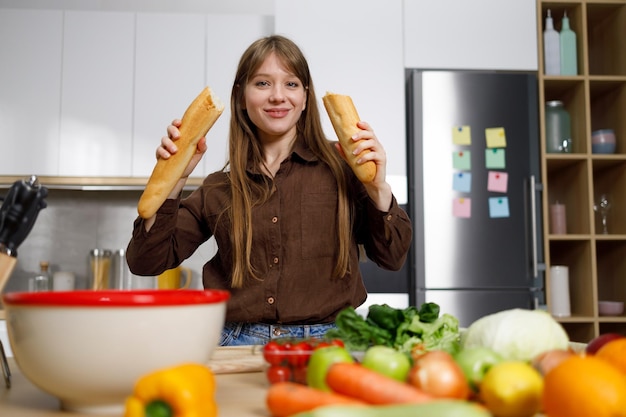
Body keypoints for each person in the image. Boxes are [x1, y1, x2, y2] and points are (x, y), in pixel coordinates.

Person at [126, 35, 412, 346]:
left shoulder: (345, 167)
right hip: (234, 341)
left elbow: (392, 257)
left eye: (291, 84)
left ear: (305, 97)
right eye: (262, 83)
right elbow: (145, 262)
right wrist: (174, 175)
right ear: (241, 96)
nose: (278, 96)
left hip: (329, 343)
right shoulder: (219, 187)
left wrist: (378, 187)